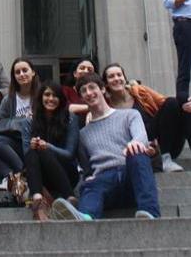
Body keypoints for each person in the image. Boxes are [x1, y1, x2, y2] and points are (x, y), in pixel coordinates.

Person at [51, 72, 160, 221]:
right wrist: (89, 177)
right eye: (84, 91)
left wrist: (135, 144)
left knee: (139, 153)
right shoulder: (83, 134)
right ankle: (85, 217)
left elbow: (141, 137)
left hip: (131, 178)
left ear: (102, 89)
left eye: (92, 87)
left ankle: (150, 213)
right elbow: (87, 167)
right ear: (81, 97)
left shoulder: (130, 115)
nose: (89, 93)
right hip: (104, 182)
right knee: (90, 183)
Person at [102, 63, 185, 172]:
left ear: (124, 78)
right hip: (134, 146)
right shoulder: (107, 106)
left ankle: (165, 158)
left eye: (119, 75)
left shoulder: (139, 91)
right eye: (111, 76)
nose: (117, 78)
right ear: (106, 83)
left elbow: (167, 104)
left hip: (161, 141)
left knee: (173, 103)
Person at [25, 82, 79, 221]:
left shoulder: (71, 118)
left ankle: (69, 196)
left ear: (61, 99)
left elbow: (69, 154)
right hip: (43, 177)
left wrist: (48, 146)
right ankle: (37, 196)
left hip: (67, 173)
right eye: (47, 95)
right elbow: (25, 154)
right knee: (32, 151)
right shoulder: (31, 120)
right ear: (41, 98)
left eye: (55, 96)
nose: (50, 99)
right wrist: (33, 146)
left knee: (42, 150)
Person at [0, 58, 39, 191]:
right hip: (15, 144)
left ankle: (16, 176)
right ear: (14, 76)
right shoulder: (9, 99)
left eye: (25, 70)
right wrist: (21, 120)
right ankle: (22, 172)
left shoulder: (42, 95)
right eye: (17, 72)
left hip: (36, 143)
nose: (21, 74)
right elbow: (0, 124)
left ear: (33, 72)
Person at [62, 58, 97, 125]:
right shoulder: (66, 90)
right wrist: (91, 108)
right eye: (82, 68)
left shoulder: (99, 92)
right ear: (75, 73)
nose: (86, 71)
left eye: (90, 69)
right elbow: (66, 108)